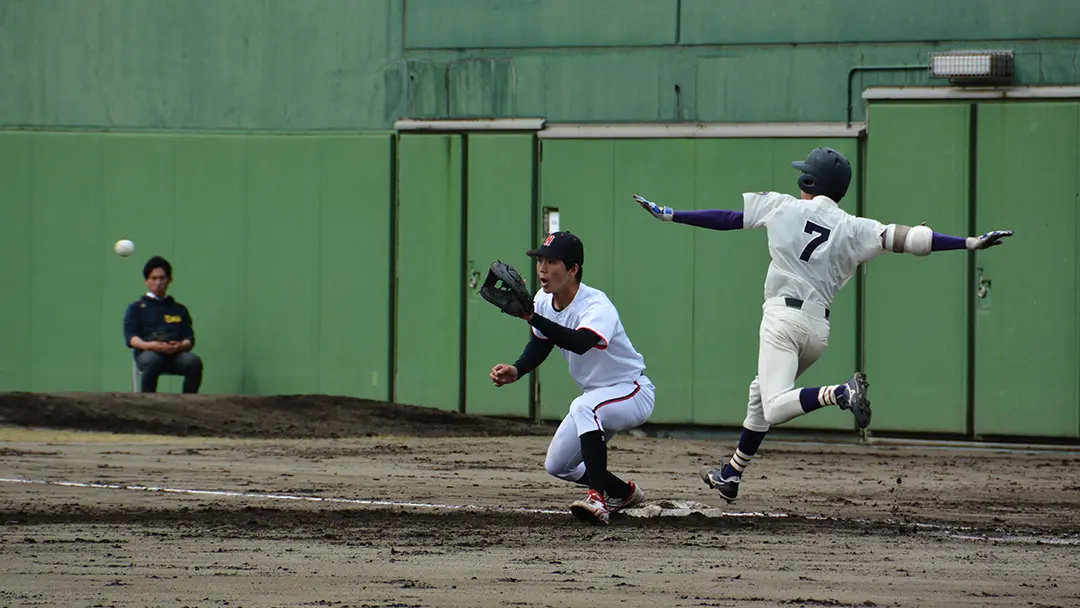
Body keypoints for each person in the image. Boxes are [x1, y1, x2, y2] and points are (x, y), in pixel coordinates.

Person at [632, 147, 1012, 503]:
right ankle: (731, 474)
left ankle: (840, 393)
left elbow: (728, 219)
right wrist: (968, 242)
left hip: (782, 320)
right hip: (817, 331)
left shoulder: (781, 206)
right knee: (759, 394)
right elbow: (913, 239)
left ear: (810, 183)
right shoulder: (854, 226)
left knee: (776, 406)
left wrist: (672, 214)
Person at [489, 231, 656, 524]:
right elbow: (541, 342)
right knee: (558, 465)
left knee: (584, 406)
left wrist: (531, 318)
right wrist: (517, 370)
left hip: (631, 392)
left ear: (573, 269)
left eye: (552, 261)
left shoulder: (596, 305)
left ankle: (597, 500)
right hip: (597, 397)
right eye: (540, 259)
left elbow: (580, 342)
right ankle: (624, 493)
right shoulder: (542, 301)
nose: (542, 267)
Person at [123, 255, 203, 394]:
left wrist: (180, 346)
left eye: (162, 278)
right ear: (147, 281)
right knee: (153, 360)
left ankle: (189, 403)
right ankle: (148, 402)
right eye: (153, 278)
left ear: (169, 280)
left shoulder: (179, 309)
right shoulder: (136, 308)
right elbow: (132, 338)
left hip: (175, 356)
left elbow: (189, 338)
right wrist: (152, 346)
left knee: (193, 362)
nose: (158, 283)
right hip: (148, 354)